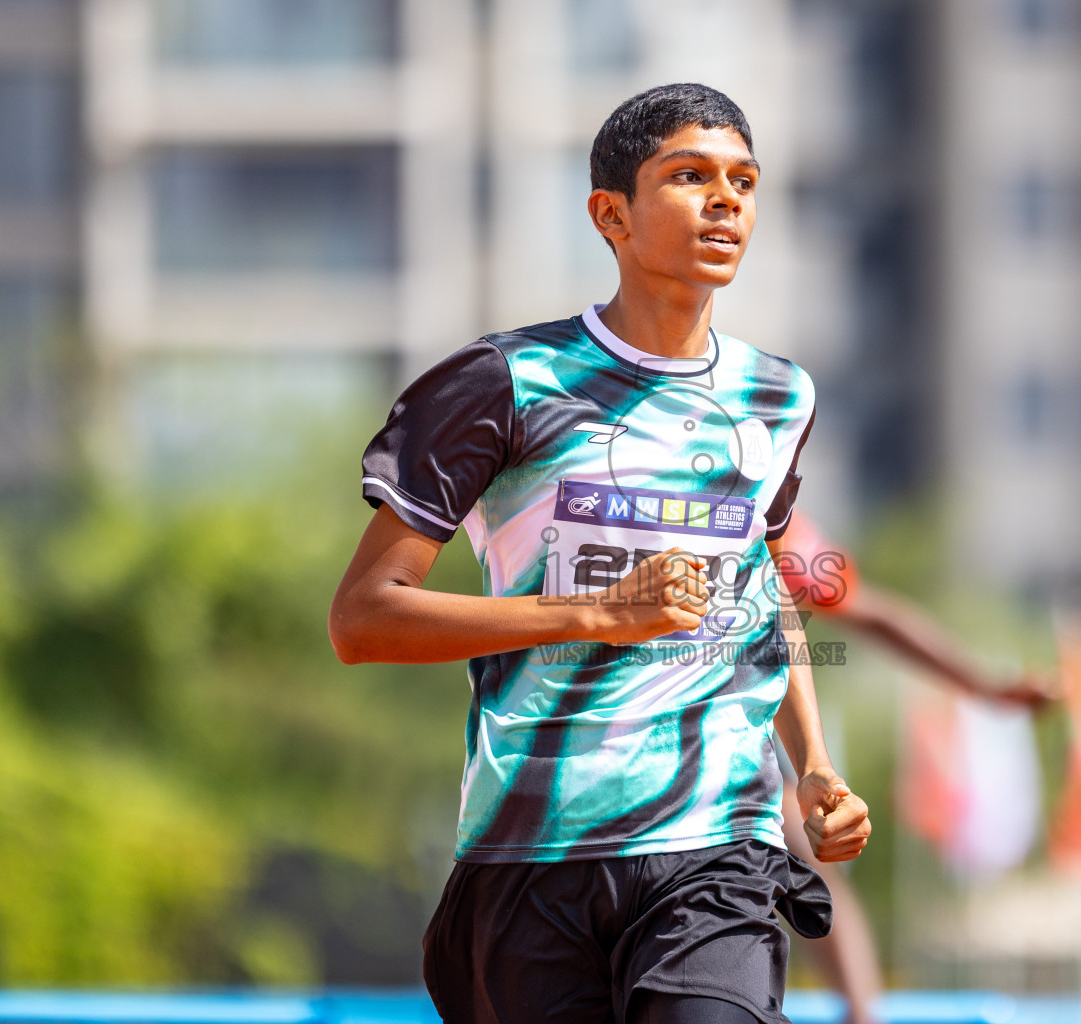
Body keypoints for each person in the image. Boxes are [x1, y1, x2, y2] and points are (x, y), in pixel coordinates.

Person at [328, 83, 871, 1024]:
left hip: (718, 847)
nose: (726, 200)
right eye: (690, 176)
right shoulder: (504, 382)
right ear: (610, 214)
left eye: (743, 181)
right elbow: (364, 617)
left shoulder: (779, 398)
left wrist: (814, 761)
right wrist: (596, 612)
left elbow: (762, 588)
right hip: (532, 851)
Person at [772, 509, 1055, 1024]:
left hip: (735, 750)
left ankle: (863, 1016)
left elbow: (872, 613)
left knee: (810, 857)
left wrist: (982, 685)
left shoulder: (761, 512)